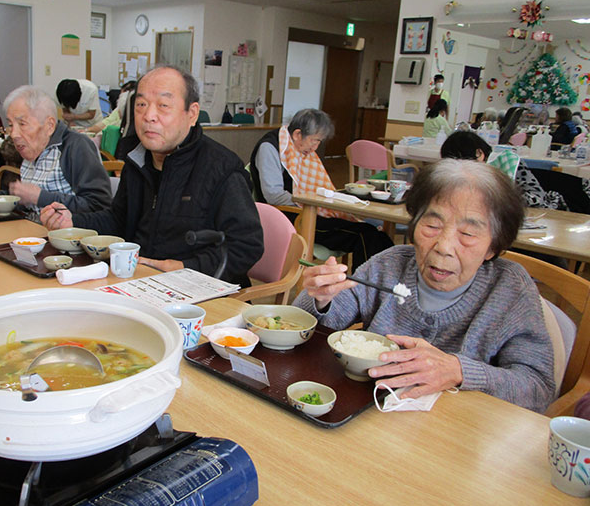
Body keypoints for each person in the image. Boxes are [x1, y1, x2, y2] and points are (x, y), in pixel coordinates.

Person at [294, 159, 556, 413]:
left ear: (494, 246)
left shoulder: (510, 288)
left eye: (466, 234)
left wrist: (459, 370)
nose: (443, 247)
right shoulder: (390, 264)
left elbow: (537, 389)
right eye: (432, 225)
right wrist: (320, 298)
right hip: (368, 418)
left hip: (461, 438)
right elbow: (308, 326)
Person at [40, 66, 263, 286]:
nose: (149, 116)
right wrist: (73, 222)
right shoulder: (137, 160)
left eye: (163, 106)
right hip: (139, 282)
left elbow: (246, 245)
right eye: (141, 105)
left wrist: (185, 268)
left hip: (199, 296)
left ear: (192, 114)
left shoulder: (222, 169)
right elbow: (119, 219)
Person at [249, 109, 393, 270]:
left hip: (311, 210)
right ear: (297, 134)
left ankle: (382, 289)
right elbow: (273, 195)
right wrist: (313, 203)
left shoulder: (298, 146)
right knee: (366, 235)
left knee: (379, 236)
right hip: (291, 216)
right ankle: (362, 290)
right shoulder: (270, 148)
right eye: (315, 141)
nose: (315, 147)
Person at [0, 85, 111, 220]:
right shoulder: (32, 148)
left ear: (49, 125)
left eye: (22, 124)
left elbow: (99, 205)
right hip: (31, 235)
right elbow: (25, 203)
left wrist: (40, 197)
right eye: (11, 125)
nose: (14, 134)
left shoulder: (75, 147)